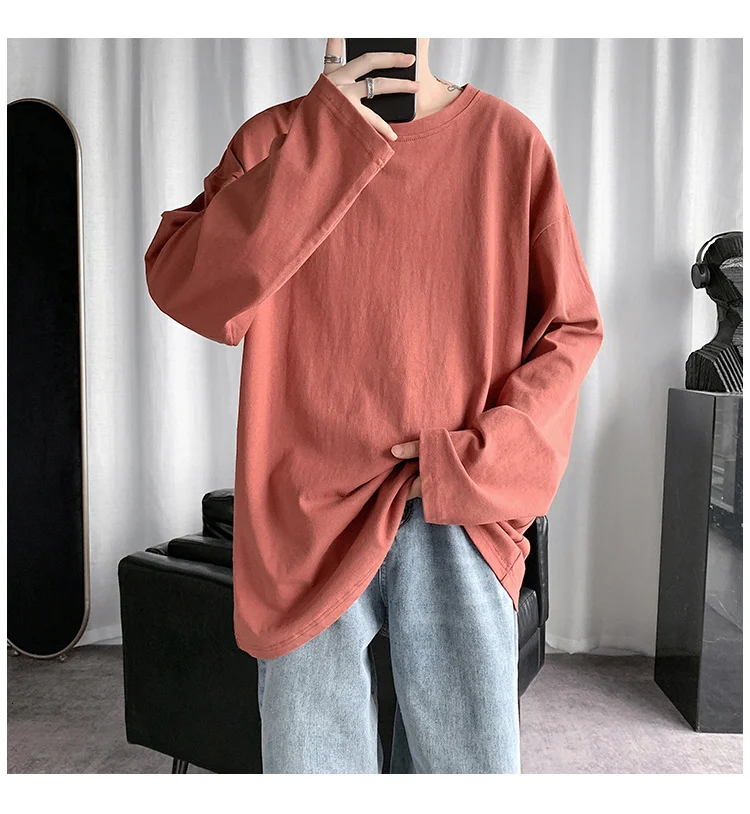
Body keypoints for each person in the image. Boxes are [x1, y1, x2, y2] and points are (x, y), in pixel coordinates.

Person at [144, 37, 604, 773]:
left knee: (470, 776)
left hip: (457, 512)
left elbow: (570, 331)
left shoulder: (506, 145)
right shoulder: (276, 142)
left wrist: (480, 461)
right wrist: (323, 143)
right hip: (304, 521)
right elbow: (186, 286)